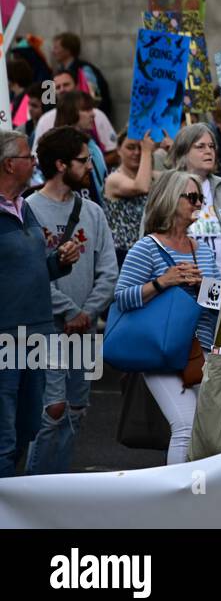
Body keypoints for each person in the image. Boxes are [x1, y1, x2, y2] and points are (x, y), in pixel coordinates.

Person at [25, 127, 119, 474]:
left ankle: (60, 489)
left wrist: (88, 312)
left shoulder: (92, 212)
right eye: (83, 159)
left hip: (85, 329)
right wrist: (69, 311)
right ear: (61, 164)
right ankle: (34, 489)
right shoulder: (28, 210)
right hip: (46, 328)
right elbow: (30, 276)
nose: (90, 164)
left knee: (77, 410)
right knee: (52, 410)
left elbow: (109, 270)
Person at [113, 170, 221, 464]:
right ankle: (180, 499)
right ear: (171, 200)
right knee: (185, 426)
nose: (198, 203)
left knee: (206, 429)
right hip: (160, 352)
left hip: (198, 351)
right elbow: (121, 297)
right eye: (192, 197)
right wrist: (164, 281)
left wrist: (203, 286)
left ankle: (199, 495)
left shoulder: (203, 251)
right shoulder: (147, 248)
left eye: (200, 198)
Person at [0, 130, 82, 477]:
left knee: (27, 426)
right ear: (8, 164)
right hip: (5, 337)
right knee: (3, 436)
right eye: (27, 157)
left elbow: (36, 269)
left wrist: (60, 261)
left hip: (37, 333)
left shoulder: (24, 207)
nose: (35, 163)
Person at [167, 124, 221, 269]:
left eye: (211, 146)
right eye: (200, 146)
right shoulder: (169, 187)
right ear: (183, 152)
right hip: (184, 280)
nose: (208, 151)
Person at [32, 71, 118, 159]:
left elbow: (114, 151)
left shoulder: (97, 115)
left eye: (66, 85)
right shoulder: (45, 120)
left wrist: (95, 165)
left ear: (77, 86)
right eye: (58, 87)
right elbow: (37, 158)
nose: (62, 90)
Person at [104, 131, 156, 266]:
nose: (137, 152)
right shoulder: (113, 179)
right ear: (118, 150)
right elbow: (141, 187)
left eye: (140, 147)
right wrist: (146, 152)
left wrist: (171, 150)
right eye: (131, 147)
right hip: (123, 253)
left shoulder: (153, 176)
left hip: (149, 251)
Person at [51, 92, 108, 201]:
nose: (93, 114)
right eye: (86, 110)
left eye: (92, 109)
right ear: (70, 112)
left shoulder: (91, 142)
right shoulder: (58, 148)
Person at [51, 32, 115, 124]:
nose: (53, 52)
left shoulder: (85, 70)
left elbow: (95, 98)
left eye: (57, 48)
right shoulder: (58, 71)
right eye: (58, 87)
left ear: (68, 49)